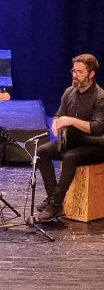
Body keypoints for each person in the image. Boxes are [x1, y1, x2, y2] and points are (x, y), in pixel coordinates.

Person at [36, 54, 104, 221]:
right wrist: (56, 122)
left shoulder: (100, 96)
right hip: (72, 141)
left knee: (70, 157)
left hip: (95, 145)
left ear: (91, 74)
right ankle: (52, 197)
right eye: (73, 71)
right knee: (42, 151)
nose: (75, 75)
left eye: (80, 72)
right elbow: (59, 114)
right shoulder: (69, 92)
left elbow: (97, 128)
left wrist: (72, 121)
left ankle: (55, 203)